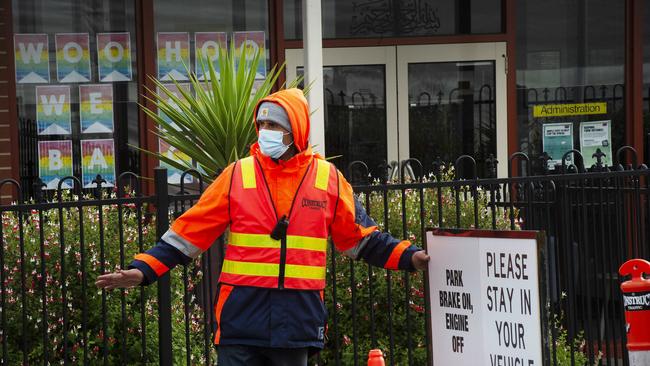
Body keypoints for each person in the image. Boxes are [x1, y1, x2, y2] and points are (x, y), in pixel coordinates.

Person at [96, 88, 430, 366]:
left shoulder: (327, 179)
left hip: (296, 323)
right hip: (241, 321)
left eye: (274, 124)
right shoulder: (238, 175)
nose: (265, 130)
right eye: (262, 123)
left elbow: (361, 239)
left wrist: (409, 256)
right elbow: (188, 233)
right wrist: (143, 270)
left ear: (295, 130)